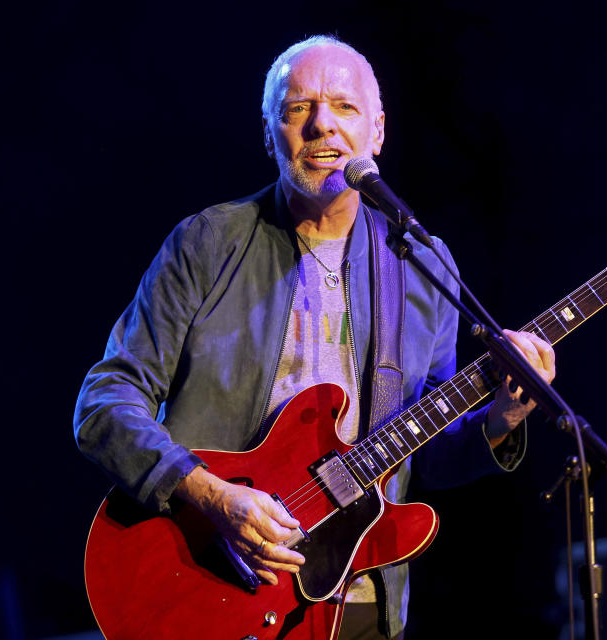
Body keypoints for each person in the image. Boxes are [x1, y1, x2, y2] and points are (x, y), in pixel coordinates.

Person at [74, 35, 556, 640]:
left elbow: (423, 454)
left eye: (344, 108)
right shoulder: (206, 243)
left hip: (353, 602)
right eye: (298, 108)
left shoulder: (424, 265)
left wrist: (501, 419)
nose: (322, 125)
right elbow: (103, 403)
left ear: (377, 132)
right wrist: (212, 496)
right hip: (206, 587)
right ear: (270, 131)